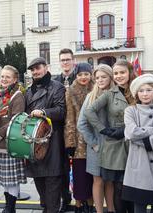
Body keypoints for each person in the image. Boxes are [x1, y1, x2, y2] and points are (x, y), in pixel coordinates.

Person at [85, 59, 136, 213]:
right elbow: (89, 112)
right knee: (118, 185)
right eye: (116, 73)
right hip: (117, 145)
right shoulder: (110, 94)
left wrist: (127, 129)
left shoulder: (138, 89)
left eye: (122, 72)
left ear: (130, 72)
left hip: (136, 142)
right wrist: (103, 130)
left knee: (134, 184)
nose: (119, 76)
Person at [123, 73, 153, 213]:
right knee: (139, 206)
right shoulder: (130, 111)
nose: (145, 94)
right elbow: (131, 132)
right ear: (136, 94)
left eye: (149, 90)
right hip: (139, 164)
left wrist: (146, 140)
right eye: (141, 90)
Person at [25, 57, 66, 213]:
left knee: (52, 183)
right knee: (40, 182)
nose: (35, 72)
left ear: (46, 67)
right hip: (34, 144)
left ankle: (52, 208)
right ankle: (47, 207)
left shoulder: (57, 87)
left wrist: (43, 113)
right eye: (33, 70)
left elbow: (61, 111)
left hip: (52, 142)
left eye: (38, 68)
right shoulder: (29, 91)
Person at [0, 65, 27, 213]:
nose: (4, 79)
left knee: (12, 178)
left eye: (7, 77)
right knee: (5, 178)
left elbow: (16, 121)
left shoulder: (17, 96)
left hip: (10, 143)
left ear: (15, 79)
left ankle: (11, 208)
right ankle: (7, 206)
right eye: (2, 76)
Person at [77, 64, 115, 213]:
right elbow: (81, 124)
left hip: (113, 146)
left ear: (110, 77)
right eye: (97, 77)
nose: (100, 80)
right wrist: (93, 143)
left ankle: (111, 210)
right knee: (98, 181)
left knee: (110, 181)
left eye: (103, 77)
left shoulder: (117, 95)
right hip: (96, 146)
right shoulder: (90, 97)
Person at [65, 62, 94, 213]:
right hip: (78, 140)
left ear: (91, 74)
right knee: (79, 175)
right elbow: (70, 117)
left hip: (95, 139)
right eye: (80, 74)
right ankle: (78, 205)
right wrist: (70, 142)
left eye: (86, 74)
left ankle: (90, 204)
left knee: (92, 176)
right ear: (76, 76)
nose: (84, 77)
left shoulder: (97, 88)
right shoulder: (71, 91)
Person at [55, 48, 76, 212]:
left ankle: (82, 201)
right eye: (63, 60)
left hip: (77, 130)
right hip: (60, 131)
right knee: (62, 169)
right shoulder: (56, 82)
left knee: (79, 167)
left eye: (68, 59)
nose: (65, 62)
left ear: (73, 61)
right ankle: (65, 199)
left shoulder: (81, 78)